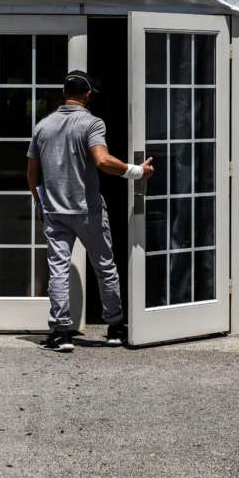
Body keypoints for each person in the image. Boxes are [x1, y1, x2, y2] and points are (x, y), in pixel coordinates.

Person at [26, 70, 154, 352]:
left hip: (54, 210)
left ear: (64, 93)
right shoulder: (92, 123)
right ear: (87, 94)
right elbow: (102, 160)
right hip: (88, 210)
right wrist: (137, 171)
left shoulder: (43, 126)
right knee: (105, 266)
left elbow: (32, 174)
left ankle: (61, 333)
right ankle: (116, 327)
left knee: (58, 270)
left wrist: (39, 202)